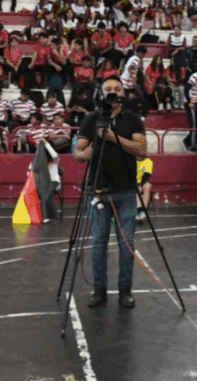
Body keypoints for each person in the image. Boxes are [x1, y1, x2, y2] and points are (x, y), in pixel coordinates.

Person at [74, 77, 147, 309]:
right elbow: (78, 151)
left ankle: (125, 290)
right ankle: (99, 289)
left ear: (123, 94)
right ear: (101, 93)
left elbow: (142, 151)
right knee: (98, 243)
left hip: (125, 191)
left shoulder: (133, 120)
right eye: (108, 89)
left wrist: (111, 137)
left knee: (127, 245)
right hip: (97, 190)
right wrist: (82, 154)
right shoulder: (91, 119)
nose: (113, 93)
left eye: (117, 89)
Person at [136, 154, 153, 222]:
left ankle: (143, 211)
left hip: (142, 182)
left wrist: (140, 184)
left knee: (147, 186)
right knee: (137, 189)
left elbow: (146, 176)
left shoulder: (148, 161)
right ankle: (139, 210)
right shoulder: (131, 161)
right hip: (132, 182)